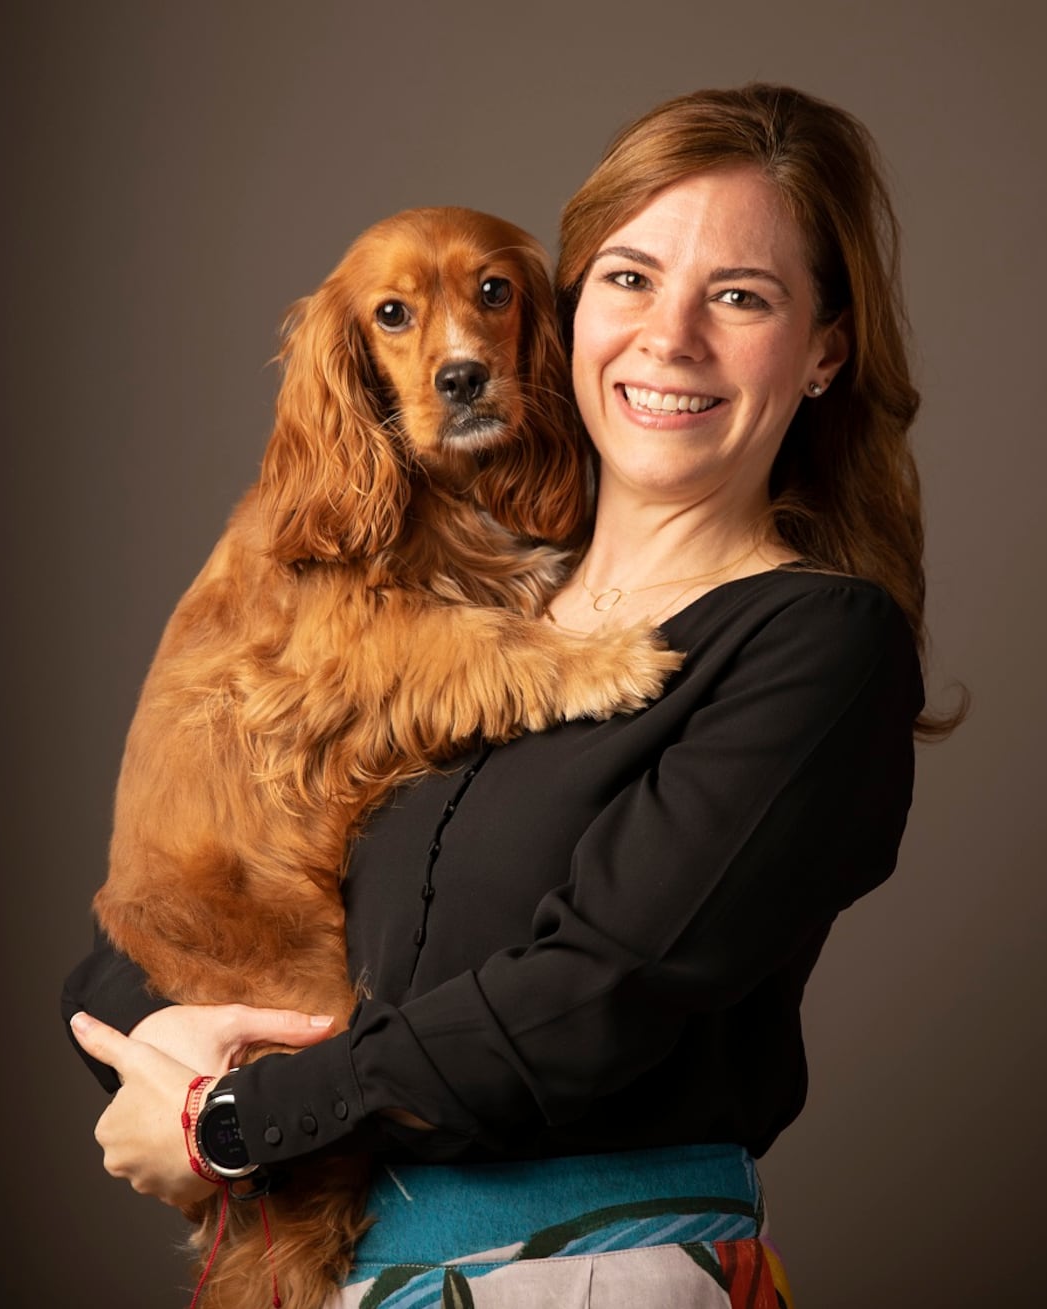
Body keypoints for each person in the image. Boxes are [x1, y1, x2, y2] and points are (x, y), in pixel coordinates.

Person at [64, 82, 959, 1307]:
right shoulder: (432, 621)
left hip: (594, 1273)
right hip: (344, 1280)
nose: (670, 337)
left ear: (823, 352)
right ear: (572, 312)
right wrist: (147, 1050)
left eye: (740, 297)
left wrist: (229, 1121)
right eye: (630, 279)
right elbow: (152, 925)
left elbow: (590, 998)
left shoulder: (817, 645)